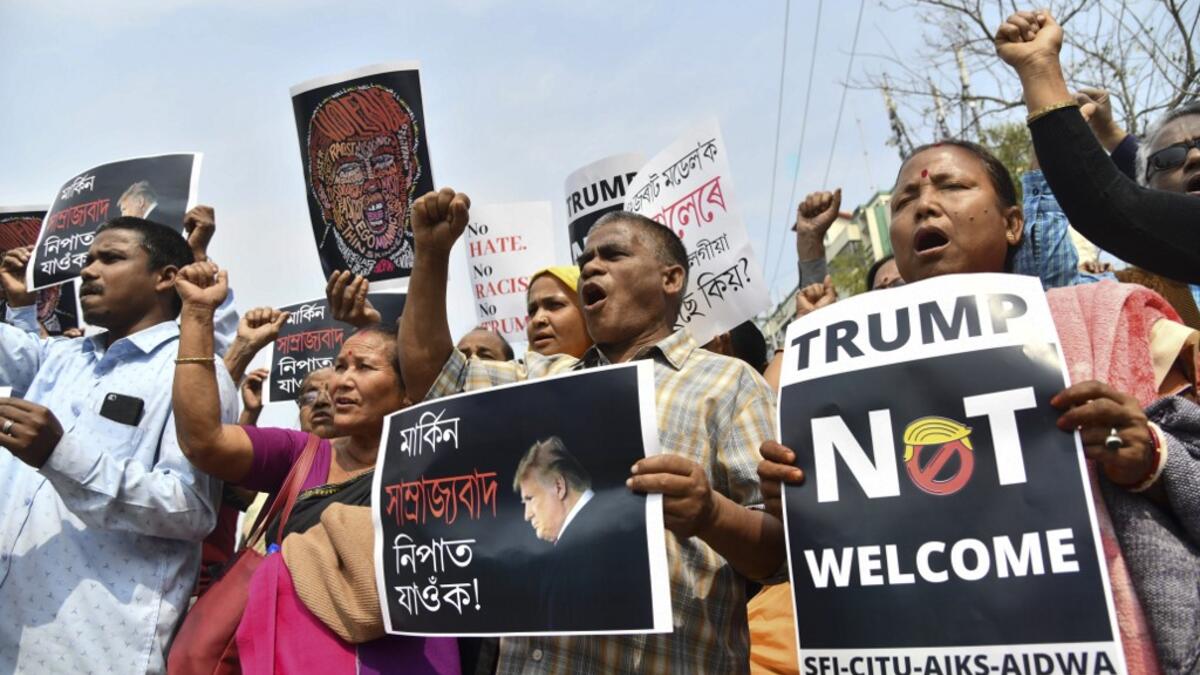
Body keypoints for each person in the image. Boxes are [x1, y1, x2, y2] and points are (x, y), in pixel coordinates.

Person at [760, 137, 1200, 673]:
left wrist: (1148, 457)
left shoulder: (1105, 316)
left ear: (1013, 224)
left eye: (953, 186)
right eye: (903, 202)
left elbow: (1183, 460)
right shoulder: (844, 376)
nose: (924, 204)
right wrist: (803, 507)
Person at [400, 187, 784, 673]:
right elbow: (433, 377)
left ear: (671, 278)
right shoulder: (541, 380)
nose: (591, 268)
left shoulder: (729, 383)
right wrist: (430, 256)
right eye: (585, 261)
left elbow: (778, 555)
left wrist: (710, 514)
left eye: (613, 254)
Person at [169, 261, 456, 673]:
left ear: (409, 393)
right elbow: (203, 441)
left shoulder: (438, 466)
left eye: (364, 368)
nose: (339, 383)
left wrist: (431, 252)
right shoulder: (302, 454)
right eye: (340, 366)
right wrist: (197, 316)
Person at [0, 216, 238, 674]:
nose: (88, 271)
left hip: (93, 649)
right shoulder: (59, 357)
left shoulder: (194, 373)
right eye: (88, 259)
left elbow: (191, 508)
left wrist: (59, 455)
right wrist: (21, 303)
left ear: (166, 277)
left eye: (110, 258)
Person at [995, 9, 1200, 282]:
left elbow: (1111, 203)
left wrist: (1040, 68)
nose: (1195, 157)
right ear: (1149, 188)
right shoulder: (1129, 296)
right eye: (1168, 159)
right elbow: (1052, 288)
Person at [513, 436, 651, 631]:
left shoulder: (579, 552)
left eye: (530, 498)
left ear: (559, 487)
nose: (527, 515)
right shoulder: (613, 522)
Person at [307, 85, 423, 277]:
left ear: (409, 171)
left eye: (383, 160)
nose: (371, 183)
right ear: (323, 193)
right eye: (350, 169)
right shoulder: (319, 274)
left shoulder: (431, 258)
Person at [525, 265, 592, 358]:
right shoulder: (513, 371)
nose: (537, 319)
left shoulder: (617, 371)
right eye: (532, 311)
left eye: (554, 305)